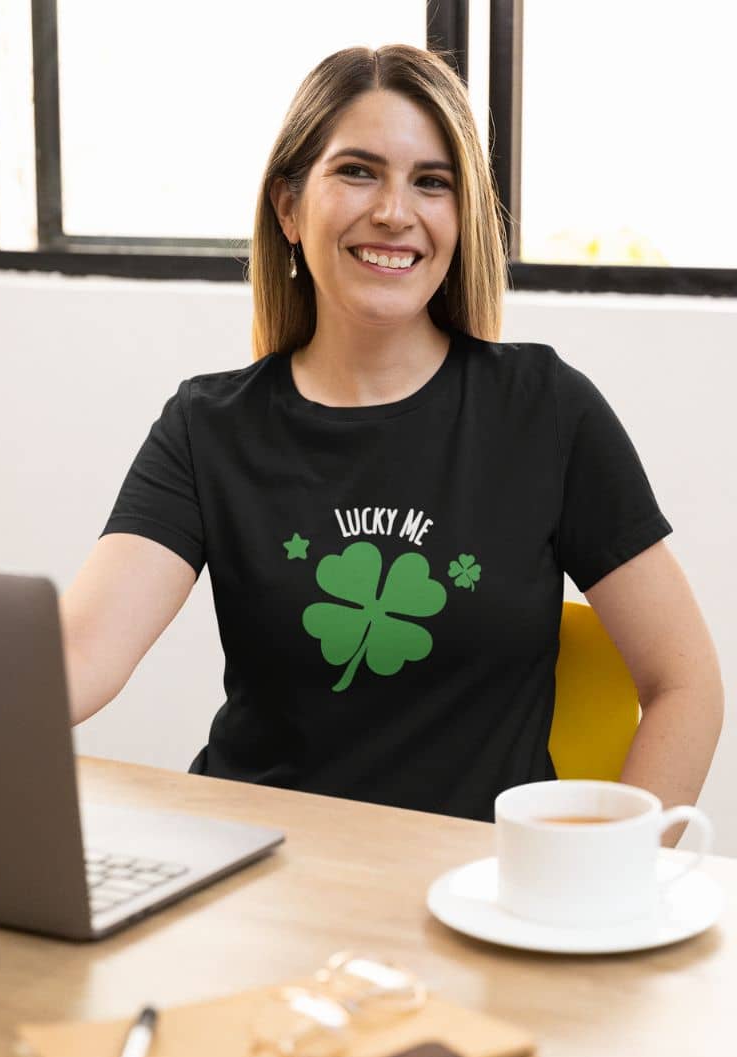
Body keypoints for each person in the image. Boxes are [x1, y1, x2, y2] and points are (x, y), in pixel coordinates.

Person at [60, 44, 723, 838]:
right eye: (358, 171)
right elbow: (76, 659)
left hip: (475, 894)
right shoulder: (208, 427)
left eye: (431, 182)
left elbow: (686, 683)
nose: (395, 212)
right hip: (253, 878)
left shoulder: (546, 410)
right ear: (287, 208)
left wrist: (619, 875)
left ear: (459, 216)